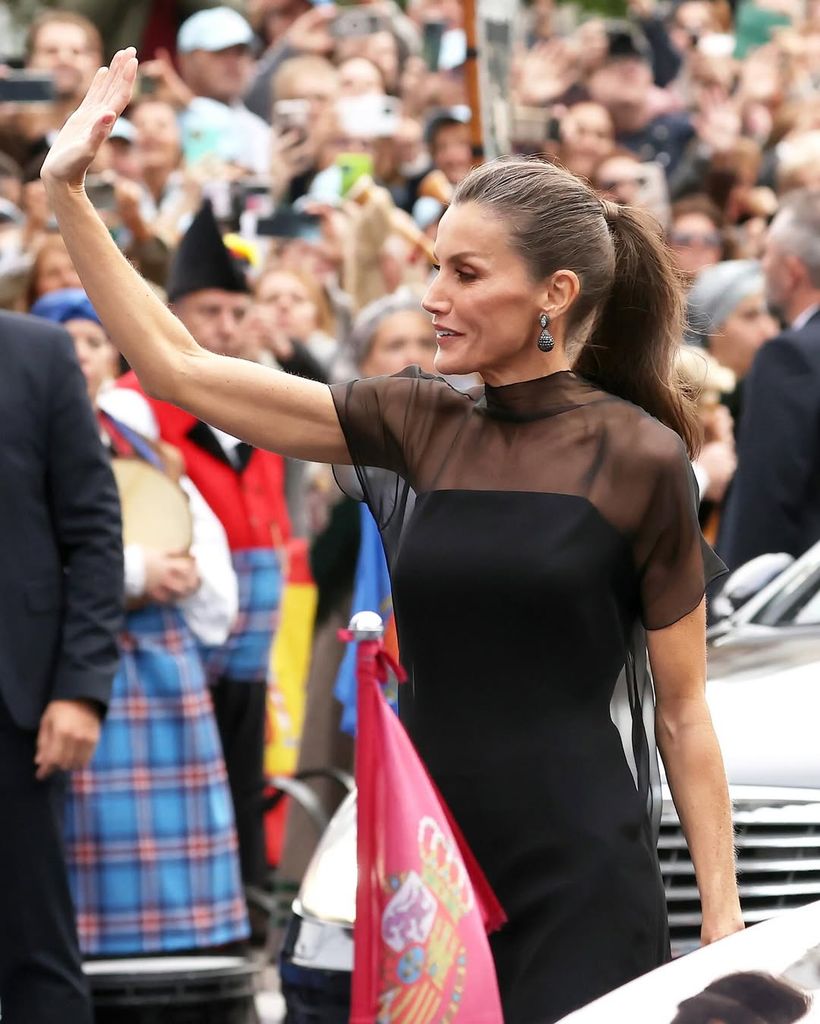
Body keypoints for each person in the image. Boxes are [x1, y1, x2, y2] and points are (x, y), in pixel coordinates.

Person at [41, 50, 743, 1024]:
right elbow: (181, 368)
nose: (432, 298)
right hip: (428, 867)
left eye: (464, 273)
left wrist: (720, 921)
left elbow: (682, 713)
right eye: (431, 270)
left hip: (582, 873)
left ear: (554, 293)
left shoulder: (639, 457)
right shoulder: (416, 420)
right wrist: (68, 189)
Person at [30, 288, 248, 957]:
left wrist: (187, 576)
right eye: (64, 343)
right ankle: (90, 959)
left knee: (166, 840)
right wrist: (137, 572)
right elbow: (36, 558)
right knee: (88, 836)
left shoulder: (140, 440)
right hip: (79, 665)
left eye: (93, 342)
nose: (80, 356)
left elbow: (197, 531)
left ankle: (176, 957)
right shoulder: (27, 442)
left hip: (160, 665)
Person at [118, 199, 291, 910]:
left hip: (250, 648)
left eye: (234, 312)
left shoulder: (260, 401)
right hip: (179, 633)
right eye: (207, 311)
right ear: (172, 314)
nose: (224, 326)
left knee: (246, 784)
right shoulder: (137, 406)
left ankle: (246, 909)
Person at [0, 308, 122, 1023]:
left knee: (36, 955)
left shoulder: (37, 354)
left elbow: (95, 533)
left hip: (16, 711)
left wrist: (81, 690)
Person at [719, 189, 820, 568]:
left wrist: (732, 610)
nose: (761, 266)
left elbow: (764, 502)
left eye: (768, 255)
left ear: (793, 271)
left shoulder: (790, 357)